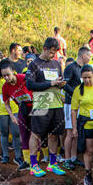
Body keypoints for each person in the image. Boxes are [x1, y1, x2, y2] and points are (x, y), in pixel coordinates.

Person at [25, 37, 66, 177]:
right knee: (36, 134)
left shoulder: (56, 64)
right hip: (42, 103)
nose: (53, 55)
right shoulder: (34, 64)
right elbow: (30, 85)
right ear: (44, 49)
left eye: (55, 53)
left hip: (56, 103)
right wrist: (51, 83)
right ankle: (34, 164)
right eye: (51, 52)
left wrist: (60, 84)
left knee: (54, 134)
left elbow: (58, 81)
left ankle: (52, 163)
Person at [70, 65, 93, 185]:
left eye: (89, 77)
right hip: (87, 123)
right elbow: (74, 110)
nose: (87, 80)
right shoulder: (78, 90)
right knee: (89, 150)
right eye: (84, 78)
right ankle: (88, 174)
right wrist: (74, 128)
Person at [0, 58, 33, 171]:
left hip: (34, 108)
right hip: (22, 110)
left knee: (34, 135)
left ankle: (35, 161)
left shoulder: (23, 78)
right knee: (24, 135)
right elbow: (6, 103)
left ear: (13, 71)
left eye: (8, 74)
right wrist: (12, 116)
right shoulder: (5, 87)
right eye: (4, 76)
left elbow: (36, 89)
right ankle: (27, 161)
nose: (6, 78)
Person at [63, 46, 92, 170]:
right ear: (83, 55)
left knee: (76, 133)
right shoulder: (70, 68)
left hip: (81, 104)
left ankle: (74, 157)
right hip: (70, 104)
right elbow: (64, 84)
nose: (90, 58)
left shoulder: (82, 69)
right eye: (89, 56)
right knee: (70, 132)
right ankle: (67, 159)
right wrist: (75, 95)